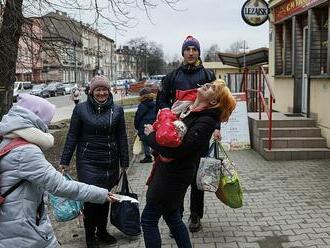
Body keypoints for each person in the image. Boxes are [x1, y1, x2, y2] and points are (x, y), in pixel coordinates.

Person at [0, 94, 117, 248]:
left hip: (9, 222)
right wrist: (101, 194)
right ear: (36, 120)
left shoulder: (6, 139)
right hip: (24, 229)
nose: (47, 126)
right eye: (46, 121)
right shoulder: (25, 152)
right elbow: (60, 186)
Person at [141, 80, 236, 248]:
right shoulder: (189, 109)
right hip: (169, 173)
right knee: (172, 218)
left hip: (172, 177)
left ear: (213, 101)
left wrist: (150, 138)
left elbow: (178, 151)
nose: (208, 84)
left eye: (213, 88)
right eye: (211, 83)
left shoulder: (206, 121)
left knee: (148, 220)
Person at [156, 35, 221, 232]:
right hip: (177, 132)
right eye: (187, 49)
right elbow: (161, 101)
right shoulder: (172, 76)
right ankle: (177, 213)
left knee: (196, 175)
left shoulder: (208, 75)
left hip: (200, 131)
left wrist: (217, 127)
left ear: (199, 52)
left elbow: (217, 103)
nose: (191, 53)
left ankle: (195, 215)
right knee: (177, 175)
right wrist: (166, 118)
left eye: (194, 49)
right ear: (182, 53)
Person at [59, 75, 129, 248]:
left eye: (104, 89)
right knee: (91, 199)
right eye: (98, 89)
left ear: (109, 91)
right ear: (91, 92)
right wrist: (65, 160)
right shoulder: (81, 109)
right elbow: (72, 136)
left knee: (105, 198)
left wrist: (124, 161)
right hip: (88, 162)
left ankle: (103, 232)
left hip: (109, 161)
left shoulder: (117, 110)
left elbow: (122, 137)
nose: (101, 93)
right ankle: (90, 236)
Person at [134, 87, 157, 163]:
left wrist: (136, 126)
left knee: (145, 141)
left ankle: (148, 156)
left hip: (144, 126)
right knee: (154, 140)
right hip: (153, 125)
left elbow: (138, 116)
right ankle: (156, 154)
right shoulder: (155, 103)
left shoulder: (142, 105)